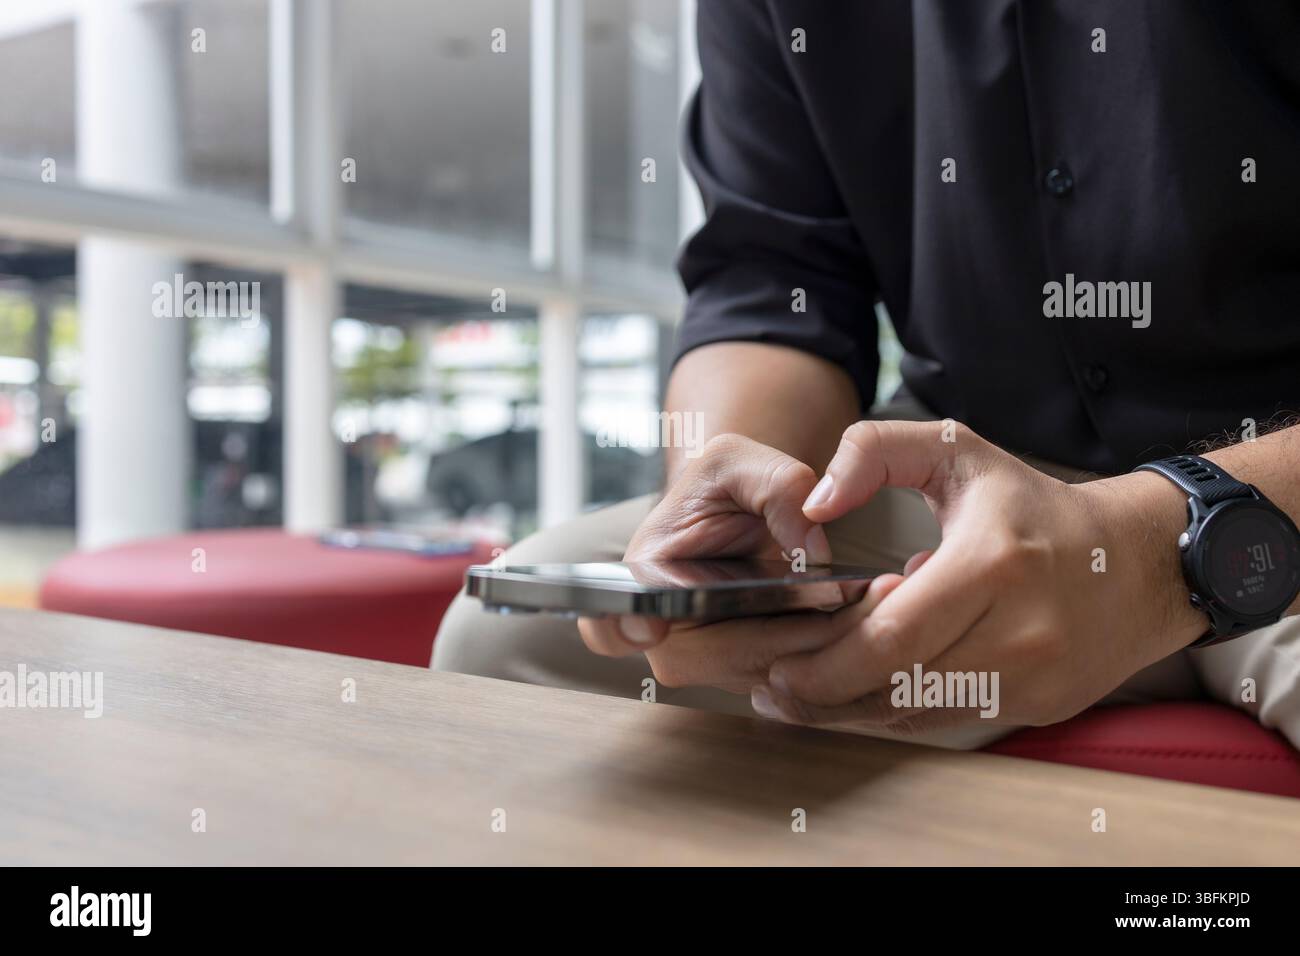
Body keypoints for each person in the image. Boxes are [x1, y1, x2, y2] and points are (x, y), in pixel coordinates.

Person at [434, 1, 1300, 750]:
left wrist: (1150, 556)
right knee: (506, 646)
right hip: (965, 492)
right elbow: (774, 277)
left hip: (1276, 492)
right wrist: (744, 502)